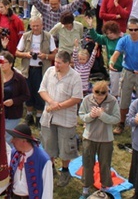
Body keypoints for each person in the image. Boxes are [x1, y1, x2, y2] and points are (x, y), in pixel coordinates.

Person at [38, 50, 83, 187]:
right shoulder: (50, 71)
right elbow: (42, 89)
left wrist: (58, 106)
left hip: (66, 119)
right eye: (55, 61)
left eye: (59, 63)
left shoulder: (75, 77)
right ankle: (50, 168)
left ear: (67, 63)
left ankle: (64, 170)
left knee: (65, 148)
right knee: (48, 144)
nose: (56, 64)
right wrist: (51, 103)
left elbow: (76, 98)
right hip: (48, 117)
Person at [108, 18, 138, 135]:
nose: (133, 32)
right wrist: (111, 63)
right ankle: (121, 122)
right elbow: (116, 53)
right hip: (127, 71)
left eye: (135, 29)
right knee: (123, 98)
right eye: (130, 29)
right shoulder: (124, 40)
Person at [78, 80, 120, 197]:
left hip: (106, 138)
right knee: (87, 163)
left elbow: (116, 119)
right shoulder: (87, 100)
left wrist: (102, 116)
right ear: (93, 92)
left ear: (106, 93)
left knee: (105, 164)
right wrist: (91, 115)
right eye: (97, 97)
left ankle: (104, 187)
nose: (99, 99)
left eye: (102, 97)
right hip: (89, 137)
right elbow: (81, 116)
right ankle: (86, 187)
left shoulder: (112, 101)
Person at [15, 17, 57, 127]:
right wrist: (26, 55)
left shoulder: (48, 36)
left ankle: (39, 116)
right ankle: (29, 115)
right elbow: (17, 52)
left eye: (37, 25)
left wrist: (46, 56)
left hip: (42, 70)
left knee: (40, 93)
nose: (35, 28)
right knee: (28, 92)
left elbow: (55, 54)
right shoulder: (26, 36)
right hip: (28, 69)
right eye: (33, 26)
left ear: (42, 25)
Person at [5, 123, 53, 199]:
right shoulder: (14, 153)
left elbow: (48, 190)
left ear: (23, 141)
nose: (11, 141)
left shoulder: (43, 160)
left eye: (14, 138)